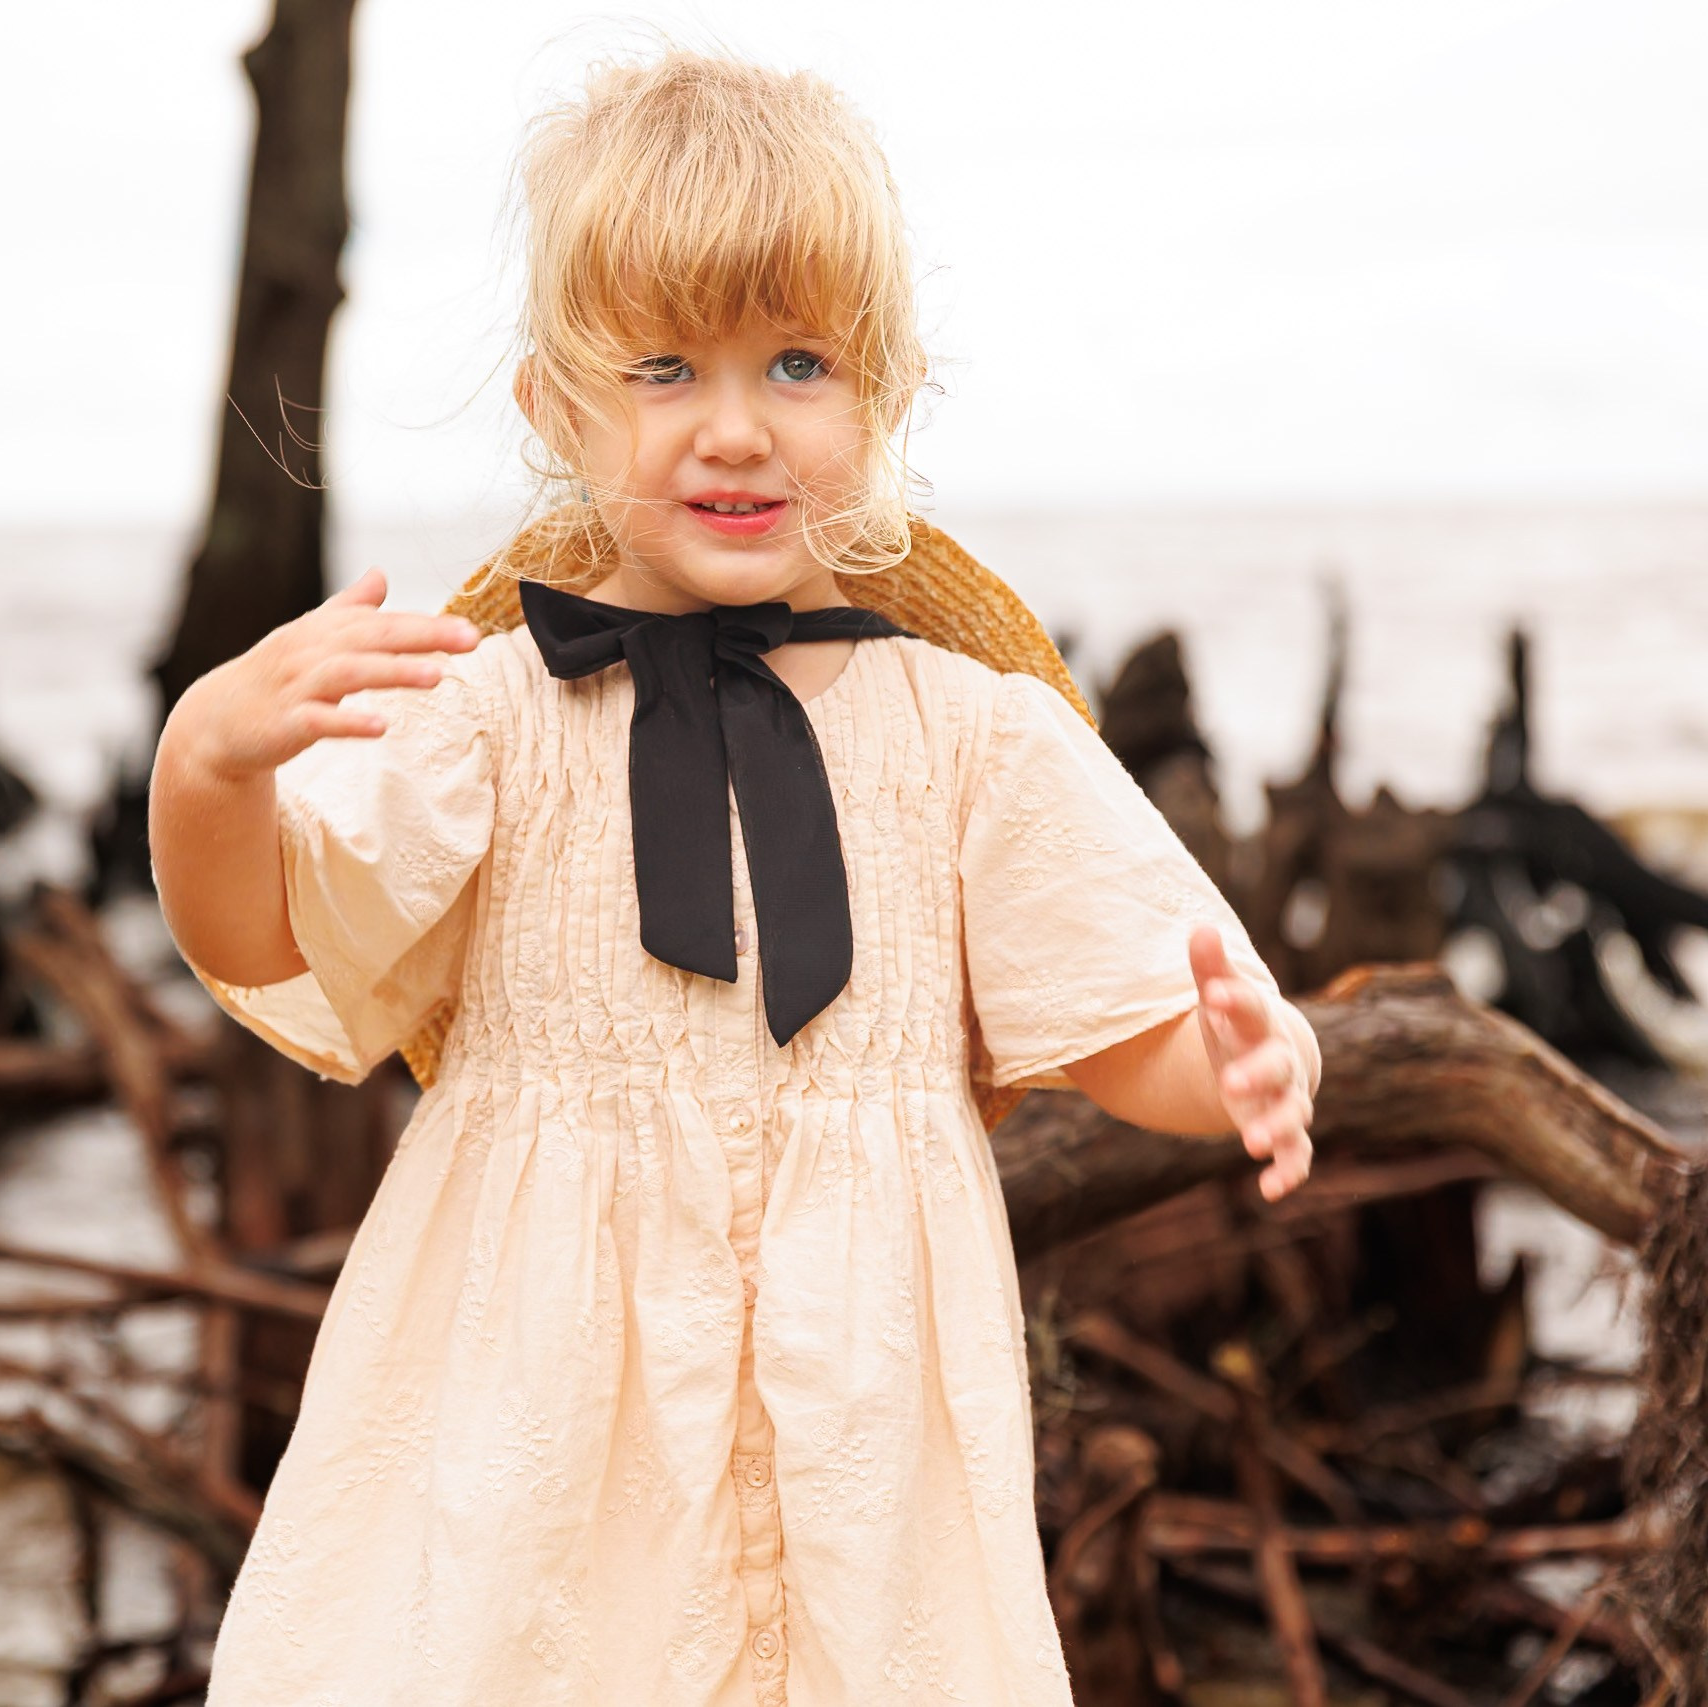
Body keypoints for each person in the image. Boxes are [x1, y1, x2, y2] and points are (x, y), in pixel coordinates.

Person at [148, 47, 1320, 1707]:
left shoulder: (971, 737)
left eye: (797, 364)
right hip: (534, 1441)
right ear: (556, 408)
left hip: (866, 1441)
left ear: (884, 395)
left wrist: (1238, 1063)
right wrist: (207, 769)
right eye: (663, 367)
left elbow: (1115, 1014)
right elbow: (268, 939)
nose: (736, 427)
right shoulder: (492, 717)